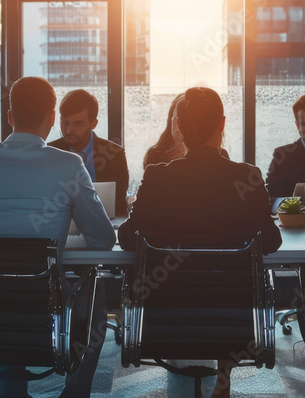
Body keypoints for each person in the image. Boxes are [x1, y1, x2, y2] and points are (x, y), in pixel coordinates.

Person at [118, 87, 281, 398]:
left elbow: (127, 238)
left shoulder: (157, 177)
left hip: (166, 322)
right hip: (233, 324)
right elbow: (271, 241)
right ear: (221, 124)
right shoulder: (247, 176)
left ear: (178, 125)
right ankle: (223, 378)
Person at [0, 77, 115, 398]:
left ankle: (9, 394)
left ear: (9, 116)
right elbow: (102, 240)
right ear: (51, 118)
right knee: (96, 297)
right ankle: (74, 393)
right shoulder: (69, 165)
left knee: (3, 306)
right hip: (47, 303)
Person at [49, 89, 130, 217]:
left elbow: (119, 205)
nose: (69, 130)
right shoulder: (49, 152)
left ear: (93, 124)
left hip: (106, 223)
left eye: (78, 124)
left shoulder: (115, 155)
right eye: (65, 122)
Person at [143, 93, 229, 169]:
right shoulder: (156, 154)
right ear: (172, 121)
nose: (186, 125)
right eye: (182, 119)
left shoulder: (221, 154)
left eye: (193, 120)